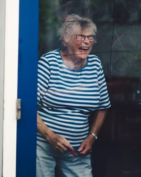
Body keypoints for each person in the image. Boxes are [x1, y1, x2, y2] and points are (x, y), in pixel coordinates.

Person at [36, 14, 111, 177]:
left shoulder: (95, 65)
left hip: (78, 150)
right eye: (81, 37)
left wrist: (92, 136)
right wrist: (50, 136)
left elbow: (103, 107)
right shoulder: (48, 63)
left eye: (90, 37)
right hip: (43, 146)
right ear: (65, 40)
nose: (87, 41)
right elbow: (28, 106)